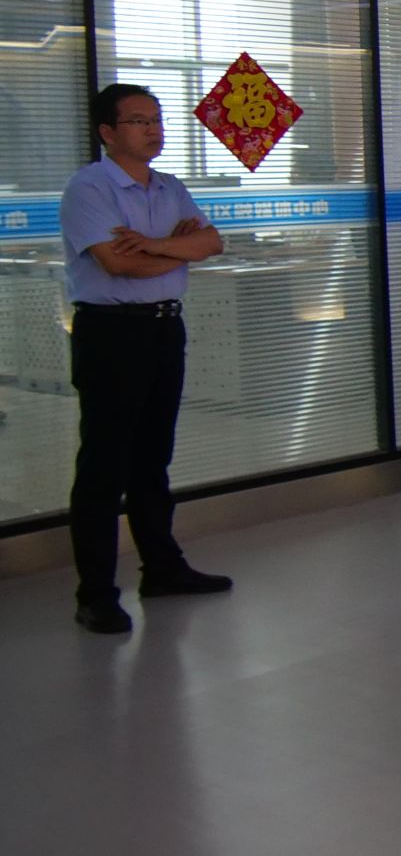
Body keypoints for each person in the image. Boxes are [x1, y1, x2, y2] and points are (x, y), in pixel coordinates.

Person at [59, 84, 231, 634]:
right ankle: (95, 594)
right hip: (111, 333)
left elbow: (212, 243)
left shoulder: (170, 186)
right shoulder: (89, 188)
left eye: (156, 120)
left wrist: (152, 245)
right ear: (108, 133)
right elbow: (117, 264)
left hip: (163, 328)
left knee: (153, 458)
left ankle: (161, 568)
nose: (152, 130)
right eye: (138, 121)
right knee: (104, 465)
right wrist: (176, 251)